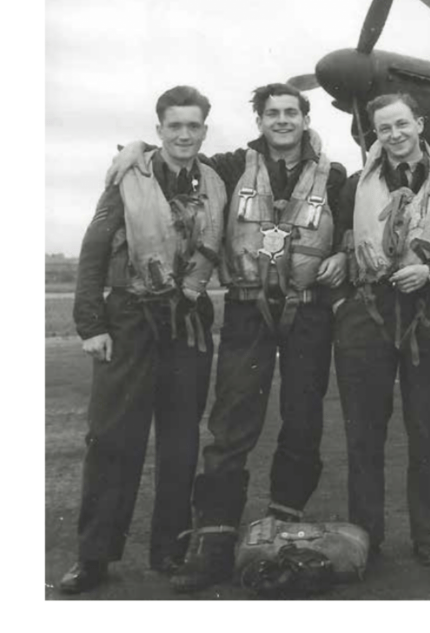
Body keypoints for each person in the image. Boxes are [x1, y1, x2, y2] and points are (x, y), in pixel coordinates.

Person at [106, 83, 347, 592]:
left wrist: (342, 255)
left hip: (308, 314)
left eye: (291, 112)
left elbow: (345, 233)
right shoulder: (232, 167)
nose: (281, 120)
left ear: (305, 119)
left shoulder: (337, 175)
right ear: (258, 121)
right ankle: (213, 542)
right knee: (232, 421)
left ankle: (282, 528)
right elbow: (175, 158)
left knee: (303, 421)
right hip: (246, 310)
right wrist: (135, 151)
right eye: (271, 113)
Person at [61, 86, 226, 594]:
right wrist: (91, 326)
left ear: (204, 130)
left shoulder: (219, 179)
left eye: (192, 126)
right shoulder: (126, 176)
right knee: (113, 441)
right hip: (130, 317)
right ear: (158, 131)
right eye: (173, 126)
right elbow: (92, 252)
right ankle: (94, 557)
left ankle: (170, 551)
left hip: (188, 323)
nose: (183, 134)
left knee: (180, 443)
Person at [332, 93, 430, 566]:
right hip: (366, 316)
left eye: (402, 125)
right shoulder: (355, 187)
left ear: (419, 124)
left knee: (426, 430)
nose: (394, 135)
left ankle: (426, 536)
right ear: (375, 135)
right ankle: (366, 536)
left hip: (427, 315)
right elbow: (340, 245)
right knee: (364, 434)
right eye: (384, 129)